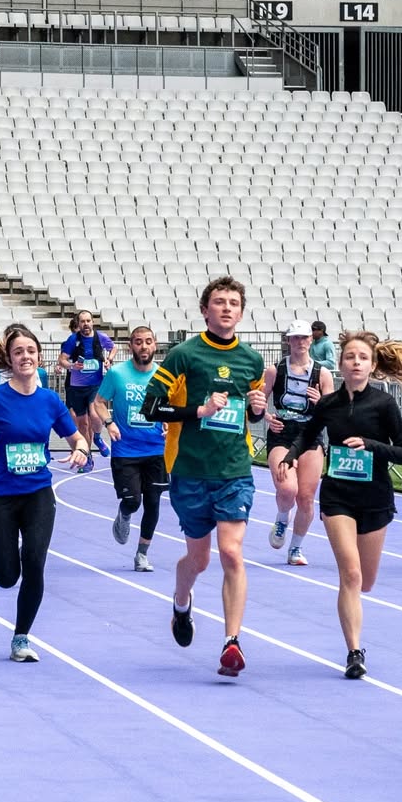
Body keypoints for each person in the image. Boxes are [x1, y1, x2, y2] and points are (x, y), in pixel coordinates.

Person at [275, 331, 402, 679]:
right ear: (340, 364)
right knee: (351, 575)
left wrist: (371, 446)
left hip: (375, 499)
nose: (356, 362)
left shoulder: (384, 405)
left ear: (372, 366)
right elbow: (309, 435)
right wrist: (292, 456)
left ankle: (355, 635)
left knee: (365, 581)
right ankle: (354, 651)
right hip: (338, 496)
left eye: (362, 358)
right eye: (350, 357)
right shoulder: (328, 404)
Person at [140, 276, 267, 678]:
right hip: (190, 471)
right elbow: (151, 409)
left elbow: (252, 413)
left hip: (234, 470)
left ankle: (232, 642)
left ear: (241, 312)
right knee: (199, 558)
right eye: (219, 302)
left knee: (232, 552)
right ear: (205, 310)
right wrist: (199, 411)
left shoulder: (252, 360)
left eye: (233, 303)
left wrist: (259, 409)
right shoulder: (183, 355)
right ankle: (181, 601)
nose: (227, 308)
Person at [0, 326, 90, 662]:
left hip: (38, 493)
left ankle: (21, 637)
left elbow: (76, 437)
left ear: (39, 357)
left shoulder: (49, 400)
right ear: (10, 359)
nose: (25, 357)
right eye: (18, 352)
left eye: (30, 350)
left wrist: (81, 449)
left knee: (34, 560)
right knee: (6, 576)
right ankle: (1, 547)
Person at [92, 325, 167, 573]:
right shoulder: (117, 374)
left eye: (148, 341)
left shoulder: (163, 376)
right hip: (126, 451)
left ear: (155, 344)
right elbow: (99, 403)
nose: (143, 346)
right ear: (130, 346)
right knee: (133, 501)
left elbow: (173, 406)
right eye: (138, 342)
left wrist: (170, 422)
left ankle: (142, 554)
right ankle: (124, 514)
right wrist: (109, 423)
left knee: (153, 503)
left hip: (156, 449)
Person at [264, 318, 334, 565]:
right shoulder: (275, 370)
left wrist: (320, 403)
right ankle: (283, 517)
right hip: (282, 431)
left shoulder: (322, 373)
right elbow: (257, 404)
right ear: (289, 341)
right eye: (295, 338)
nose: (300, 342)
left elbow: (332, 411)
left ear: (310, 340)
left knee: (305, 497)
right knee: (287, 488)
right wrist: (267, 417)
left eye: (304, 338)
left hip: (311, 433)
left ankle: (295, 548)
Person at [57, 310, 115, 465]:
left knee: (95, 415)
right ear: (79, 324)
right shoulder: (72, 340)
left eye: (88, 321)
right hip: (76, 387)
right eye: (82, 321)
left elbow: (113, 347)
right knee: (82, 423)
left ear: (92, 322)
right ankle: (87, 457)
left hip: (95, 385)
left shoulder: (100, 337)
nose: (86, 324)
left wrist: (109, 359)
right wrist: (72, 366)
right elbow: (62, 360)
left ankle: (97, 437)